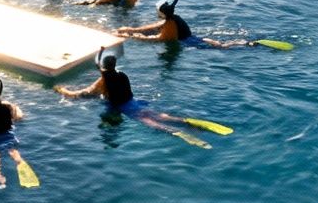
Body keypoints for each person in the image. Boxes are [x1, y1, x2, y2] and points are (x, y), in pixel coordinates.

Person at [55, 51, 211, 144]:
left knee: (150, 122)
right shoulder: (122, 74)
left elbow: (83, 94)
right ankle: (185, 122)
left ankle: (175, 132)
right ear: (114, 65)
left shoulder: (102, 81)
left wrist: (63, 91)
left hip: (125, 108)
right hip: (134, 103)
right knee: (159, 116)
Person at [116, 0, 249, 46]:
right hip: (196, 39)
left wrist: (131, 37)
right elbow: (155, 26)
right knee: (221, 44)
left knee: (223, 46)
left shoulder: (169, 24)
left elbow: (160, 39)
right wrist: (131, 29)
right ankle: (248, 43)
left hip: (193, 44)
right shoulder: (172, 18)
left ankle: (250, 44)